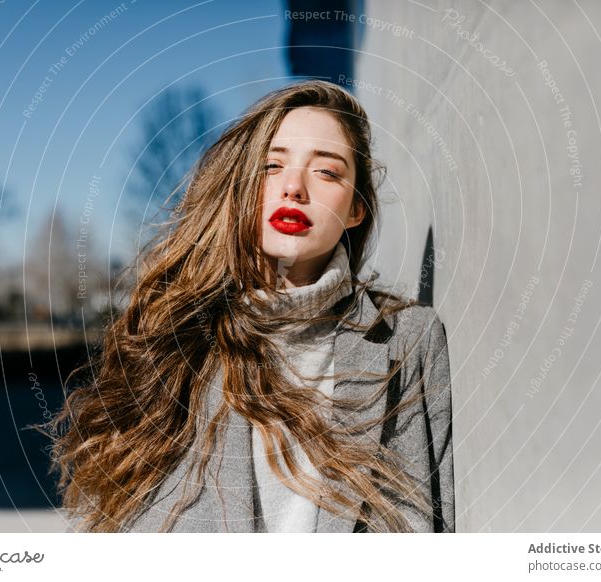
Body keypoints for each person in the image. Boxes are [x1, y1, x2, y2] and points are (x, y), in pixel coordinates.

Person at [48, 79, 455, 533]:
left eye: (327, 172)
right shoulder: (176, 336)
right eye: (271, 166)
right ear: (240, 189)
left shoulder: (409, 339)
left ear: (356, 209)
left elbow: (427, 522)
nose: (294, 188)